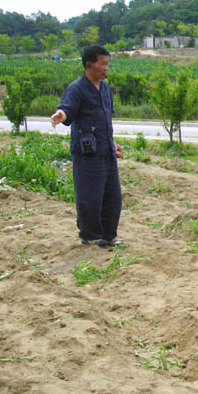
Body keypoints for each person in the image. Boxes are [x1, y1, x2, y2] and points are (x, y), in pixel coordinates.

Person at [50, 45, 123, 247]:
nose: (106, 68)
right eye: (102, 63)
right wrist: (60, 115)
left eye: (107, 63)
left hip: (106, 151)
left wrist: (113, 143)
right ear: (89, 64)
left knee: (113, 197)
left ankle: (109, 237)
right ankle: (90, 237)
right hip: (88, 154)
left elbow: (105, 120)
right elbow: (67, 108)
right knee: (90, 197)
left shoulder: (105, 89)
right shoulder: (77, 88)